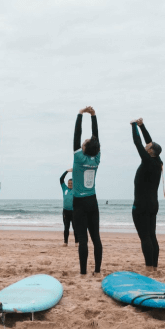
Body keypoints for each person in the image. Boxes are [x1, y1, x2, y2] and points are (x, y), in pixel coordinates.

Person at [72, 106, 102, 277]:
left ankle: (83, 273)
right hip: (93, 201)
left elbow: (76, 135)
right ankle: (97, 272)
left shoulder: (78, 158)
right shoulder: (97, 158)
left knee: (83, 239)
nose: (82, 141)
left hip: (79, 203)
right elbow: (96, 138)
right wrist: (93, 116)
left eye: (84, 142)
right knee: (96, 238)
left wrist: (80, 114)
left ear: (84, 147)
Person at [130, 118, 163, 272]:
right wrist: (142, 126)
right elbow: (149, 142)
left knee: (145, 237)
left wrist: (134, 126)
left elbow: (137, 142)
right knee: (151, 235)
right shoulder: (157, 161)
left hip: (141, 205)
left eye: (148, 147)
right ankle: (154, 267)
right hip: (152, 204)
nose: (146, 146)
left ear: (150, 151)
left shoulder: (148, 161)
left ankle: (149, 267)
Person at [59, 169, 76, 247]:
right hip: (65, 211)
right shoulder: (64, 189)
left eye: (71, 183)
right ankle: (65, 242)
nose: (70, 184)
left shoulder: (76, 190)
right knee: (66, 227)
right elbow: (61, 179)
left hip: (74, 211)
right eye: (69, 183)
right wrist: (66, 171)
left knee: (75, 227)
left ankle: (77, 242)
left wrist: (76, 171)